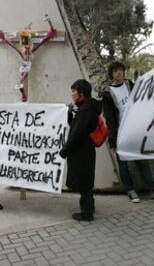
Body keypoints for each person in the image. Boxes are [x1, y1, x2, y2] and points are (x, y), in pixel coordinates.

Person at [101, 61, 154, 204]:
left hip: (135, 131)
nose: (119, 73)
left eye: (121, 70)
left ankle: (151, 191)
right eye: (115, 71)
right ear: (111, 74)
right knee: (123, 163)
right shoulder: (108, 93)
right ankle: (130, 190)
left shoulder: (131, 85)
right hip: (120, 133)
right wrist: (113, 140)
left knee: (142, 160)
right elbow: (110, 119)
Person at [59, 79, 101, 221]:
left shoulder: (86, 110)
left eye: (73, 91)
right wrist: (70, 114)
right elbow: (77, 126)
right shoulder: (86, 108)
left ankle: (87, 213)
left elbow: (76, 134)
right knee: (86, 182)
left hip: (82, 153)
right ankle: (89, 208)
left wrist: (64, 151)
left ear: (81, 93)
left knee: (84, 184)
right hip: (85, 151)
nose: (72, 94)